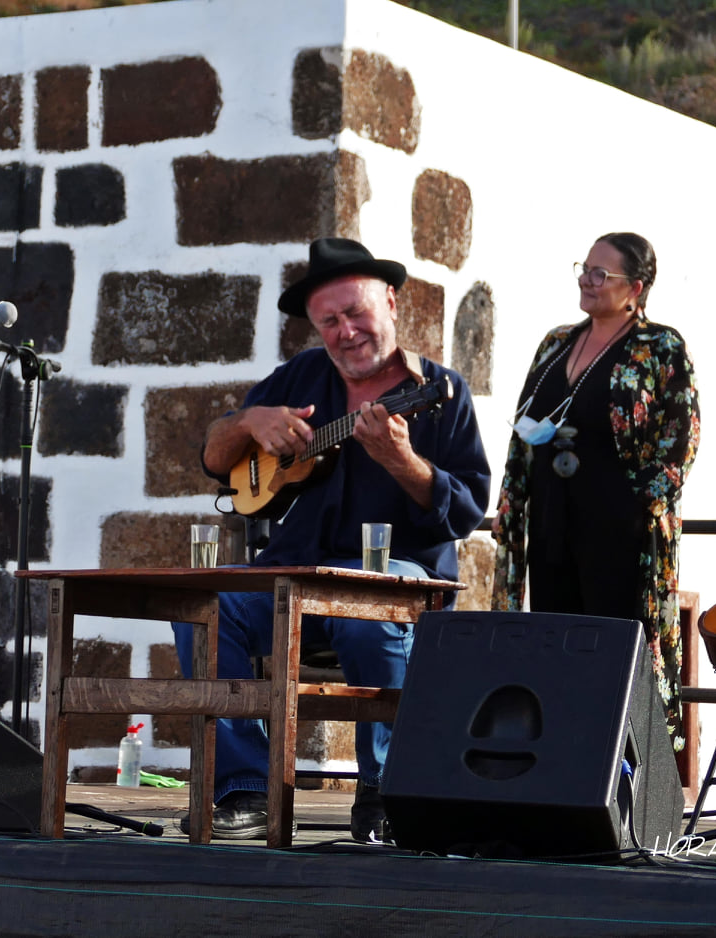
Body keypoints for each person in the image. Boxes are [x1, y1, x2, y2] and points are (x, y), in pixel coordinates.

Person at [172, 238, 491, 841]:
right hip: (294, 571)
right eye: (329, 322)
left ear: (392, 303)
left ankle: (388, 789)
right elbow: (217, 460)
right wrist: (248, 422)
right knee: (203, 603)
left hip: (397, 579)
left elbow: (467, 508)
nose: (346, 332)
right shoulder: (299, 378)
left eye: (356, 313)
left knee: (364, 614)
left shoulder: (440, 393)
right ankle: (244, 787)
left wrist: (401, 459)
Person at [492, 233, 699, 749]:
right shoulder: (556, 341)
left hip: (620, 526)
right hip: (551, 518)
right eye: (585, 268)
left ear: (637, 287)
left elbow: (683, 436)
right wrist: (511, 501)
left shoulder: (660, 346)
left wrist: (644, 508)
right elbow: (522, 427)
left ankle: (622, 770)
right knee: (554, 642)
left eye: (601, 274)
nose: (588, 279)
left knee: (613, 650)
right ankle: (556, 759)